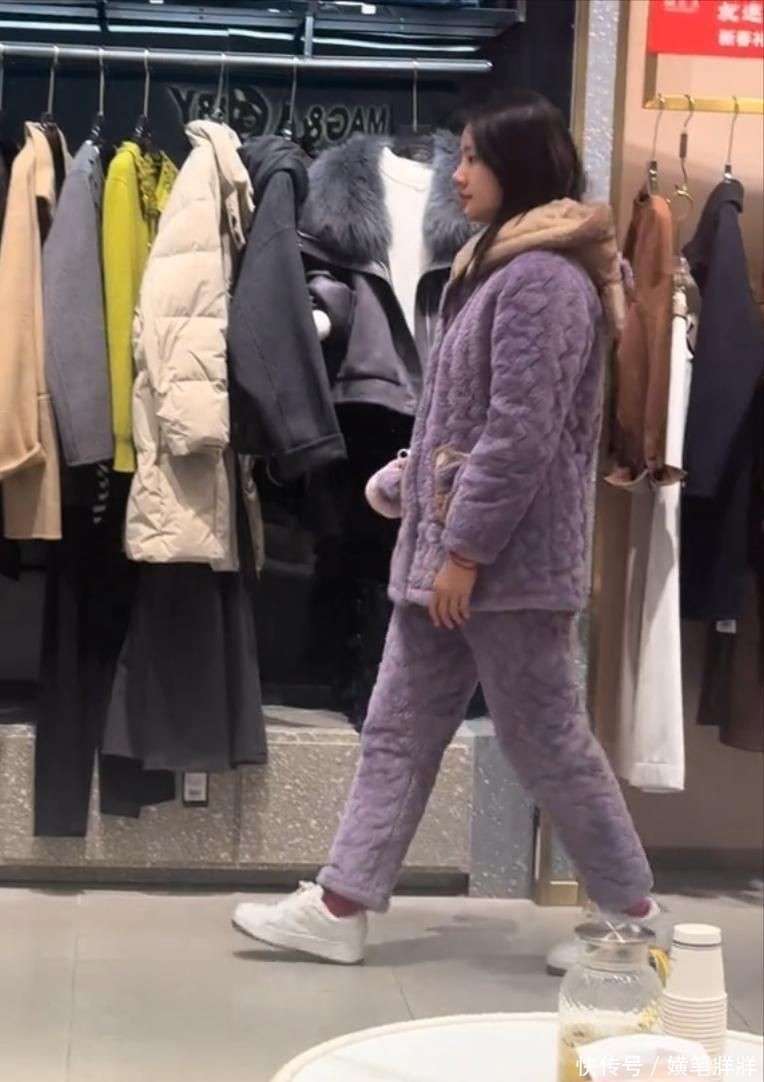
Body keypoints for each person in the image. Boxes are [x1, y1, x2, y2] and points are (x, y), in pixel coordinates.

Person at [233, 91, 658, 965]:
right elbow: (460, 420)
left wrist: (464, 548)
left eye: (471, 157)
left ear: (518, 165)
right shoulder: (497, 264)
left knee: (547, 741)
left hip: (506, 571)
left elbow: (522, 434)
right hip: (450, 564)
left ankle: (633, 922)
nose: (455, 174)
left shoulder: (543, 280)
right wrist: (405, 485)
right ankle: (341, 906)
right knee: (397, 729)